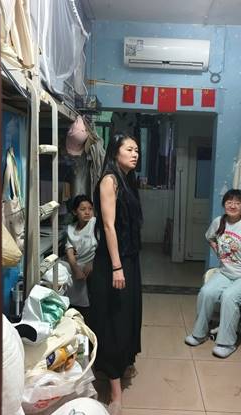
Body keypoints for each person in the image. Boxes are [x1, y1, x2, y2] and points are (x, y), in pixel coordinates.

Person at [88, 133, 143, 415]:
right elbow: (109, 226)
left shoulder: (127, 179)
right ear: (115, 152)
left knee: (129, 314)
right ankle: (115, 391)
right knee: (114, 321)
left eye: (137, 150)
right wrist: (117, 266)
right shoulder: (109, 180)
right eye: (129, 149)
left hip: (129, 259)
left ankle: (124, 362)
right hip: (113, 262)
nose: (135, 154)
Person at [185, 189, 241, 358]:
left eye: (237, 203)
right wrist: (217, 249)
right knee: (206, 292)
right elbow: (210, 237)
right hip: (225, 273)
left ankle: (227, 343)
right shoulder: (219, 222)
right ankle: (199, 334)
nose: (232, 206)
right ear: (224, 204)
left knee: (229, 296)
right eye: (229, 202)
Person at [64, 194, 97, 323]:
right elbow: (69, 250)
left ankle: (88, 314)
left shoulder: (94, 223)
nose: (87, 212)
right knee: (60, 269)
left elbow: (102, 246)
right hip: (77, 263)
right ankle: (69, 310)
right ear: (74, 212)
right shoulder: (71, 228)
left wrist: (92, 263)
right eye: (83, 209)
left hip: (93, 262)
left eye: (90, 209)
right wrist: (75, 268)